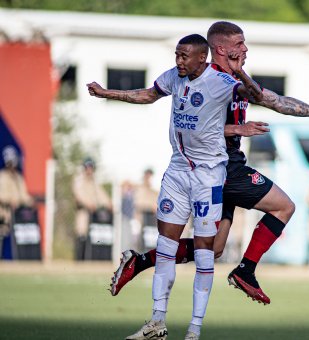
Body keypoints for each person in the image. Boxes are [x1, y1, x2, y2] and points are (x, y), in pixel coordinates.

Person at [108, 21, 309, 307]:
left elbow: (276, 101)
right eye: (239, 44)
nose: (245, 48)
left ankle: (139, 262)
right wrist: (237, 129)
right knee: (284, 206)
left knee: (213, 249)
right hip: (222, 167)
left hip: (226, 166)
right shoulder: (210, 81)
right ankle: (246, 270)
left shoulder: (236, 80)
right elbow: (195, 127)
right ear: (221, 49)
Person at [88, 33, 263, 340]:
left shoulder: (221, 83)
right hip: (177, 171)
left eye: (184, 56)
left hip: (208, 176)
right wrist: (107, 94)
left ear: (201, 58)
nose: (178, 61)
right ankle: (157, 323)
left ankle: (194, 329)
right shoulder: (174, 77)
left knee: (206, 251)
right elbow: (146, 95)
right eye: (177, 55)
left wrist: (239, 72)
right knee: (166, 245)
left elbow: (256, 95)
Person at [72, 157, 112, 260]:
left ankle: (93, 259)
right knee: (82, 232)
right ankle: (79, 260)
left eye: (91, 167)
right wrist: (88, 203)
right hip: (83, 211)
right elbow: (79, 195)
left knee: (97, 235)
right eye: (87, 167)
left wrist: (108, 203)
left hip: (94, 213)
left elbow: (101, 195)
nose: (89, 169)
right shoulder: (79, 180)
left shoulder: (94, 181)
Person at [0, 146, 33, 238]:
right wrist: (11, 201)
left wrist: (30, 202)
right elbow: (2, 196)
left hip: (18, 217)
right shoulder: (2, 177)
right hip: (4, 216)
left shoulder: (19, 178)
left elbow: (24, 196)